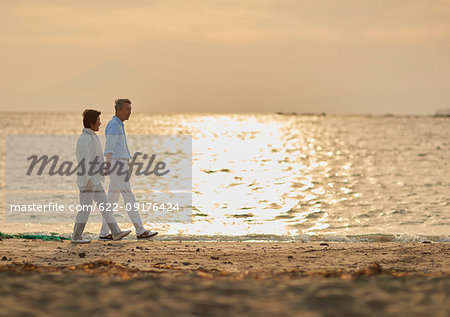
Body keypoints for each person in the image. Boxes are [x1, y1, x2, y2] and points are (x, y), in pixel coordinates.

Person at [98, 99, 158, 240]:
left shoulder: (118, 125)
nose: (129, 112)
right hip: (117, 164)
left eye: (130, 109)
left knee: (111, 200)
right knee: (128, 196)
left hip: (119, 163)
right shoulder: (114, 125)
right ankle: (140, 230)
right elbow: (109, 146)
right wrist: (108, 164)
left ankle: (104, 233)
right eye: (127, 109)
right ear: (118, 110)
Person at [72, 109, 132, 244]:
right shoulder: (84, 139)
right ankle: (76, 236)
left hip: (95, 180)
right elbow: (83, 161)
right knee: (85, 209)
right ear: (91, 122)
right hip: (88, 181)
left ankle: (115, 232)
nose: (100, 123)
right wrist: (87, 179)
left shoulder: (92, 136)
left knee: (105, 206)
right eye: (98, 120)